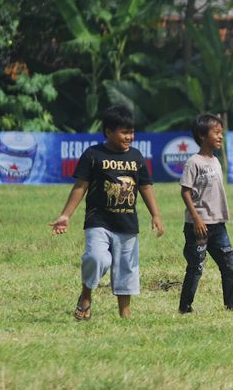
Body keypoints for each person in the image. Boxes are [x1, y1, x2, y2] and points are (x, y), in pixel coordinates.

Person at [50, 105, 164, 319]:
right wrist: (66, 215)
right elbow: (80, 186)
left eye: (131, 132)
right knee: (96, 258)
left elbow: (146, 186)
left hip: (127, 223)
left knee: (127, 269)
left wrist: (155, 214)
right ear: (109, 132)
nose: (129, 137)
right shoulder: (93, 155)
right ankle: (86, 294)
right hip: (98, 221)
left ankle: (125, 312)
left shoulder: (137, 157)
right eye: (124, 132)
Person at [178, 113, 233, 314]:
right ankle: (185, 307)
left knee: (229, 266)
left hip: (218, 224)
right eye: (216, 132)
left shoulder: (216, 161)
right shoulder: (194, 162)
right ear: (202, 135)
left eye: (222, 132)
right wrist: (196, 218)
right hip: (199, 226)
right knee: (196, 267)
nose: (221, 136)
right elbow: (185, 191)